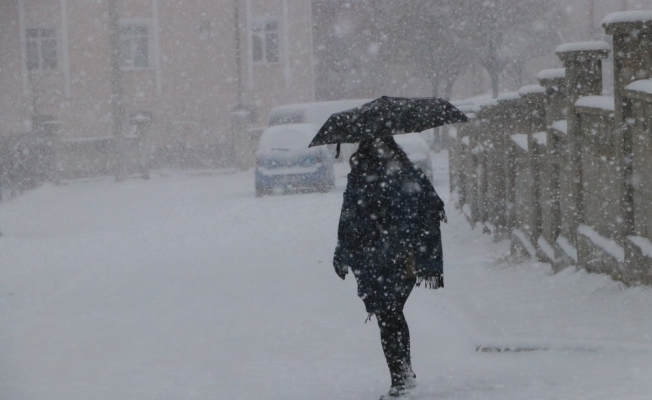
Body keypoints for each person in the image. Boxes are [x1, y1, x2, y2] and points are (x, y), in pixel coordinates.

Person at [333, 136, 446, 399]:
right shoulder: (405, 173)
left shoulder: (365, 177)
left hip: (383, 258)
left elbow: (349, 219)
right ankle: (403, 376)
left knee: (388, 315)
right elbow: (349, 218)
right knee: (390, 314)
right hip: (400, 256)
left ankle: (401, 379)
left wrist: (344, 252)